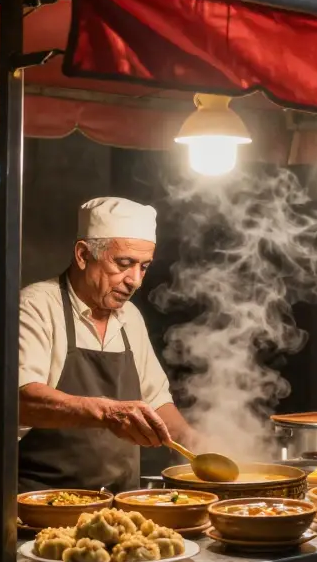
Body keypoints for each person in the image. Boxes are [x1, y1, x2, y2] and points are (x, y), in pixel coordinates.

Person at [16, 197, 195, 493]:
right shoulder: (35, 306)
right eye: (124, 264)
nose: (135, 281)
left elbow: (155, 399)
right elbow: (20, 402)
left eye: (144, 267)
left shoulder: (130, 318)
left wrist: (193, 440)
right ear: (84, 255)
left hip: (120, 506)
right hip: (42, 503)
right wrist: (107, 413)